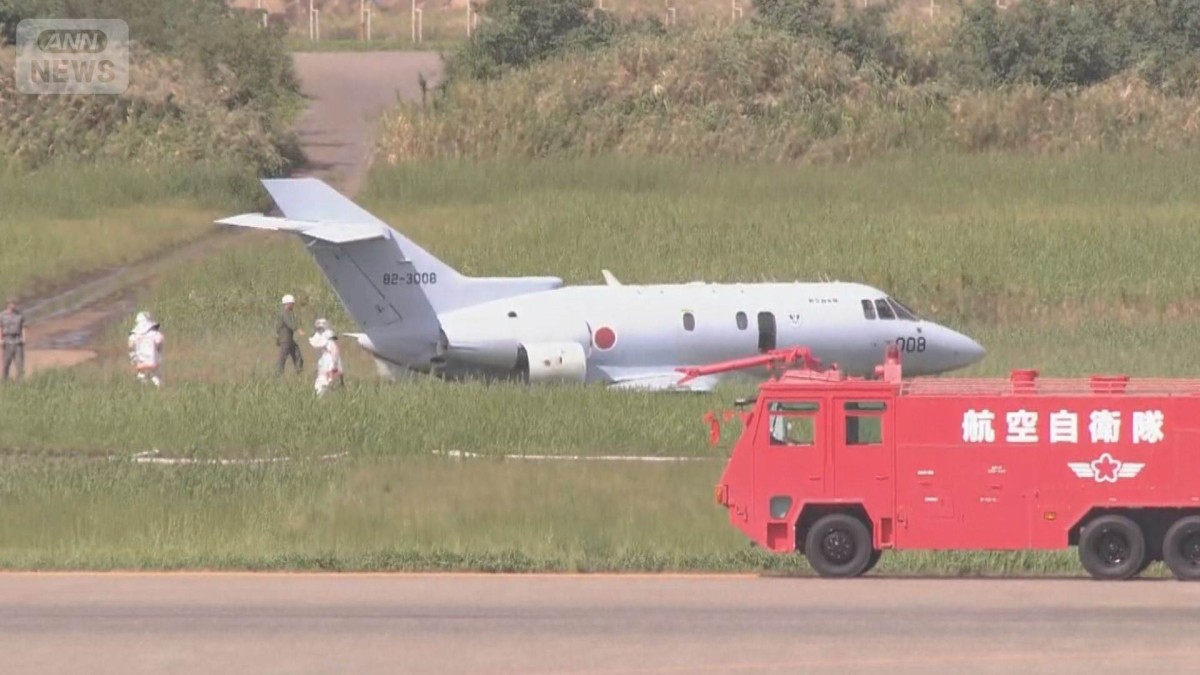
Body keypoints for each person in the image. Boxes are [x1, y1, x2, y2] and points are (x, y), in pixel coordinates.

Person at [127, 311, 164, 387]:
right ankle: (158, 387)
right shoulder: (153, 333)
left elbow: (130, 346)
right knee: (154, 374)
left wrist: (133, 358)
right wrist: (158, 351)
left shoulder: (134, 334)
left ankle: (142, 387)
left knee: (141, 373)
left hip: (140, 361)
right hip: (152, 360)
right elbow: (160, 340)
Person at [308, 318, 343, 397]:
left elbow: (334, 355)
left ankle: (324, 396)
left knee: (325, 382)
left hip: (329, 363)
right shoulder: (323, 339)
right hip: (325, 363)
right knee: (322, 381)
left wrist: (333, 367)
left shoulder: (330, 342)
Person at [276, 294, 304, 375]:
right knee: (282, 358)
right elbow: (289, 323)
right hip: (285, 339)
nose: (293, 305)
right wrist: (298, 330)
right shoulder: (284, 313)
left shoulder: (286, 313)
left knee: (297, 355)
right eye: (292, 304)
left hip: (289, 339)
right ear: (288, 304)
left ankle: (299, 372)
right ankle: (278, 375)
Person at [1, 298, 25, 382]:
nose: (13, 305)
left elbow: (22, 327)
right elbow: (1, 327)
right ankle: (4, 382)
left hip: (18, 341)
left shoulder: (20, 315)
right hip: (7, 341)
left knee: (20, 364)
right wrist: (1, 339)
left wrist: (24, 338)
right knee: (6, 364)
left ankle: (20, 383)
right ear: (8, 304)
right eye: (12, 303)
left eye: (15, 304)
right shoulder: (2, 315)